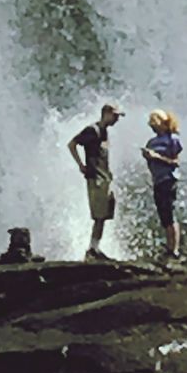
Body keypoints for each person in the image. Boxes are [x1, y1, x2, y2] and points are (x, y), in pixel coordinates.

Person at [67, 103, 124, 260]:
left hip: (104, 178)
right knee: (99, 215)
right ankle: (92, 250)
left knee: (105, 213)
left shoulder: (104, 132)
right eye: (115, 116)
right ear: (106, 113)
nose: (117, 119)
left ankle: (95, 248)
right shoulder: (92, 130)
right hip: (96, 178)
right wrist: (81, 165)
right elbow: (72, 144)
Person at [142, 108, 183, 260]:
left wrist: (156, 157)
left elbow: (175, 162)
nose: (151, 125)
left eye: (154, 122)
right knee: (164, 215)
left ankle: (175, 249)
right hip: (157, 180)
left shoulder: (172, 139)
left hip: (169, 178)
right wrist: (148, 157)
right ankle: (169, 247)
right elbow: (151, 163)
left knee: (170, 213)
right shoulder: (151, 142)